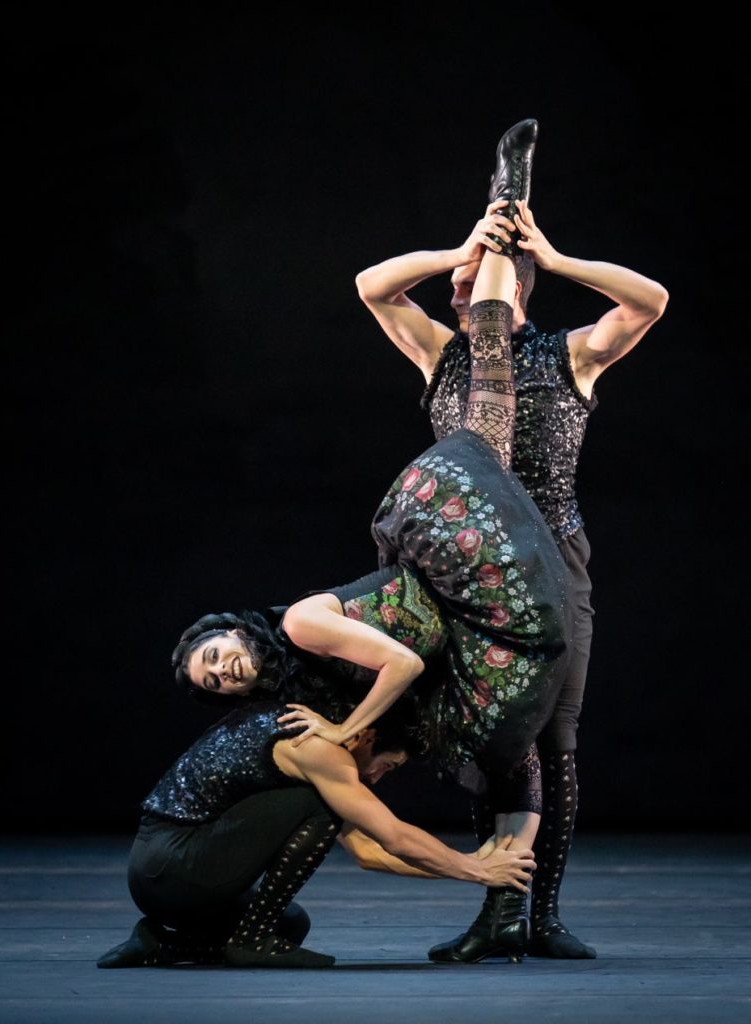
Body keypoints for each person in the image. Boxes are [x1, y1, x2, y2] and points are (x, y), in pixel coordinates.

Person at [170, 121, 572, 963]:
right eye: (218, 679)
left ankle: (510, 192)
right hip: (481, 586)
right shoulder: (323, 728)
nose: (228, 670)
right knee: (511, 740)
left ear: (235, 628)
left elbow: (368, 283)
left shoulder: (306, 641)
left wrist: (481, 236)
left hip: (488, 536)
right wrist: (475, 868)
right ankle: (508, 913)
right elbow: (371, 842)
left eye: (216, 655)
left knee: (489, 389)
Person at [353, 124, 669, 960]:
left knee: (554, 741)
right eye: (458, 283)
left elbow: (649, 301)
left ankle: (544, 914)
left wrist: (554, 257)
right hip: (469, 568)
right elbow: (373, 286)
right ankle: (495, 908)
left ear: (513, 291)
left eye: (473, 284)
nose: (458, 295)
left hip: (555, 559)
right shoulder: (442, 357)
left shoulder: (570, 357)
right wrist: (461, 244)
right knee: (495, 738)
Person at [96, 698, 535, 969]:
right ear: (366, 735)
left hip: (165, 871)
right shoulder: (318, 749)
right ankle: (250, 941)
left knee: (290, 924)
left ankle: (163, 943)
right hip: (173, 862)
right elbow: (393, 836)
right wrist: (476, 870)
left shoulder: (314, 746)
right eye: (388, 765)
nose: (379, 778)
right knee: (320, 807)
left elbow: (369, 853)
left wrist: (469, 867)